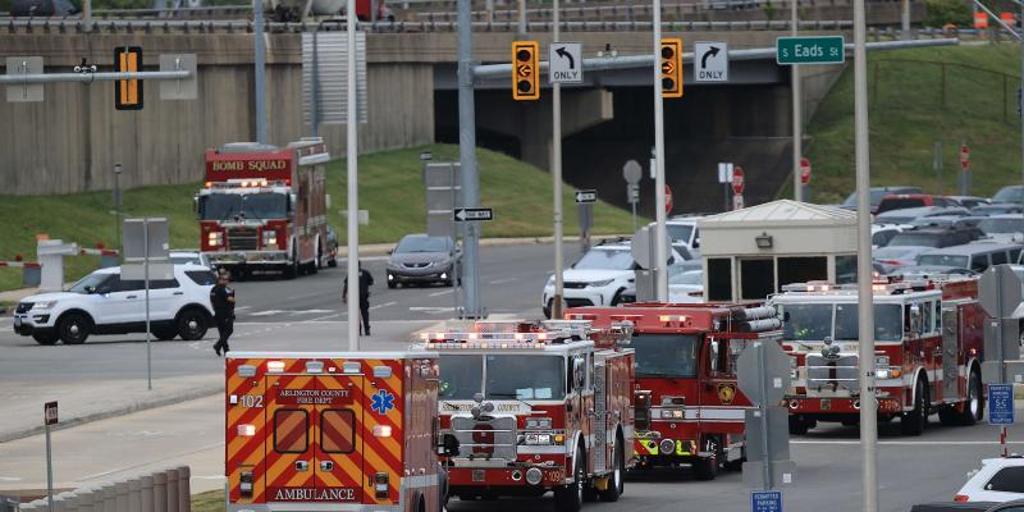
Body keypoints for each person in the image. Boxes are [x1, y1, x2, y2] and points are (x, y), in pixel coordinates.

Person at [343, 262, 374, 336]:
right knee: (365, 314)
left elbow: (346, 285)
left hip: (354, 297)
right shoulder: (365, 273)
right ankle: (367, 330)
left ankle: (359, 330)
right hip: (364, 296)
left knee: (356, 315)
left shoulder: (351, 274)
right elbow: (371, 282)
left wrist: (344, 295)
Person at [210, 270, 236, 356]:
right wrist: (232, 294)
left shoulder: (213, 289)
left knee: (222, 332)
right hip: (225, 312)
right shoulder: (222, 289)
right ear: (219, 280)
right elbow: (230, 299)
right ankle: (218, 345)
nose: (226, 281)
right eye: (224, 279)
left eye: (227, 279)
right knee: (229, 330)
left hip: (217, 312)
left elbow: (212, 301)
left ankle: (226, 350)